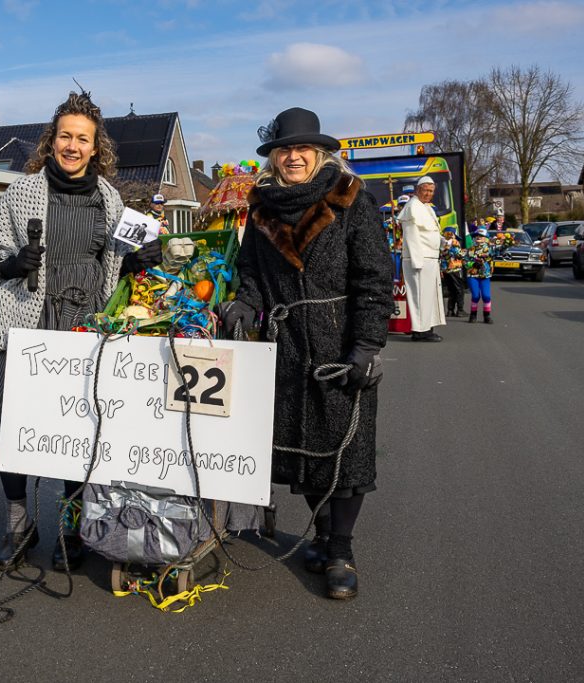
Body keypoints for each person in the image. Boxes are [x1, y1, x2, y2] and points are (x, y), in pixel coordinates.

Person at [0, 92, 162, 572]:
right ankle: (19, 524)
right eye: (64, 136)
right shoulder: (21, 193)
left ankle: (72, 527)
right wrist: (12, 264)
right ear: (51, 141)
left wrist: (139, 261)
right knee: (12, 426)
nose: (72, 146)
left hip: (83, 325)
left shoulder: (109, 198)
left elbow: (115, 266)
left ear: (96, 148)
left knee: (77, 430)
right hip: (26, 323)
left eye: (82, 139)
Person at [221, 107, 392, 600]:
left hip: (340, 343)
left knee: (346, 451)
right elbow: (251, 272)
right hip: (288, 347)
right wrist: (244, 303)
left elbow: (374, 276)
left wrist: (367, 344)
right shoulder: (261, 207)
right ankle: (320, 535)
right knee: (307, 449)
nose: (293, 157)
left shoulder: (352, 199)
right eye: (284, 150)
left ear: (320, 154)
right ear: (273, 157)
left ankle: (341, 550)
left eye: (302, 149)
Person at [397, 176, 445, 341]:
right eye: (426, 190)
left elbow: (431, 232)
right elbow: (411, 236)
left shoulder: (426, 207)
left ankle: (427, 328)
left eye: (431, 191)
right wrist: (417, 262)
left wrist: (443, 242)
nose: (428, 194)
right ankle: (420, 331)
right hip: (419, 260)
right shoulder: (412, 207)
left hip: (429, 258)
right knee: (420, 296)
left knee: (428, 296)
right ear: (418, 190)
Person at [465, 225, 494, 323]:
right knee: (475, 296)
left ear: (485, 238)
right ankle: (473, 315)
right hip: (472, 275)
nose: (478, 237)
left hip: (485, 276)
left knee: (486, 296)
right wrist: (472, 264)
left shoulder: (490, 249)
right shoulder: (470, 249)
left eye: (481, 236)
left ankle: (487, 316)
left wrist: (507, 242)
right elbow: (464, 261)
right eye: (477, 235)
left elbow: (499, 251)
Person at [440, 226, 466, 317]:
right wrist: (464, 252)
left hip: (445, 269)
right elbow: (459, 254)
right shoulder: (454, 243)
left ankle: (450, 310)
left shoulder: (441, 242)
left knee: (451, 289)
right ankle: (460, 310)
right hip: (454, 268)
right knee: (459, 289)